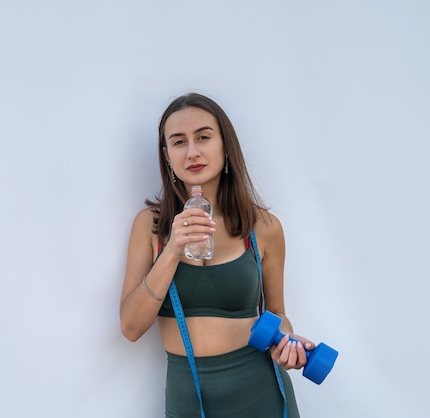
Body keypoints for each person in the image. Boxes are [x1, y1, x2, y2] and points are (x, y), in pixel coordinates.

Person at [120, 93, 314, 417]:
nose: (193, 151)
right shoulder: (150, 226)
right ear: (167, 155)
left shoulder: (262, 227)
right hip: (189, 399)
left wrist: (286, 343)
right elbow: (131, 328)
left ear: (225, 145)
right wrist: (171, 250)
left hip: (261, 391)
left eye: (204, 137)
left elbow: (277, 312)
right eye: (179, 142)